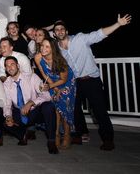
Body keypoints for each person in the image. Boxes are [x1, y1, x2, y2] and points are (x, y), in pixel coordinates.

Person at [53, 14, 132, 151]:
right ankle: (81, 133)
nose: (59, 31)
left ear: (66, 31)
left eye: (62, 29)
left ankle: (107, 139)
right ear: (54, 34)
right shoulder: (57, 50)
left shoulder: (80, 39)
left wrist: (118, 24)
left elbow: (99, 34)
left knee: (99, 109)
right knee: (74, 108)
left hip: (91, 80)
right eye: (57, 30)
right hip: (75, 82)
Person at [3, 56, 58, 154]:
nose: (10, 67)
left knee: (48, 106)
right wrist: (8, 116)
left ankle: (51, 141)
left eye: (12, 64)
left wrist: (31, 102)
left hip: (34, 111)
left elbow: (47, 96)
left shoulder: (32, 77)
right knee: (4, 120)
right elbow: (7, 104)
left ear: (18, 66)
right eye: (7, 66)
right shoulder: (6, 83)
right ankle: (22, 134)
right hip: (19, 112)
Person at [35, 38, 76, 149]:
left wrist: (53, 87)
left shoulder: (60, 61)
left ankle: (67, 135)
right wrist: (53, 87)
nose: (43, 48)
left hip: (66, 83)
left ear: (53, 49)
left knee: (65, 108)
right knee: (55, 109)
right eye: (42, 45)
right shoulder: (38, 57)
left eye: (47, 46)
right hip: (52, 82)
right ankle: (56, 134)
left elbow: (63, 79)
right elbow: (44, 74)